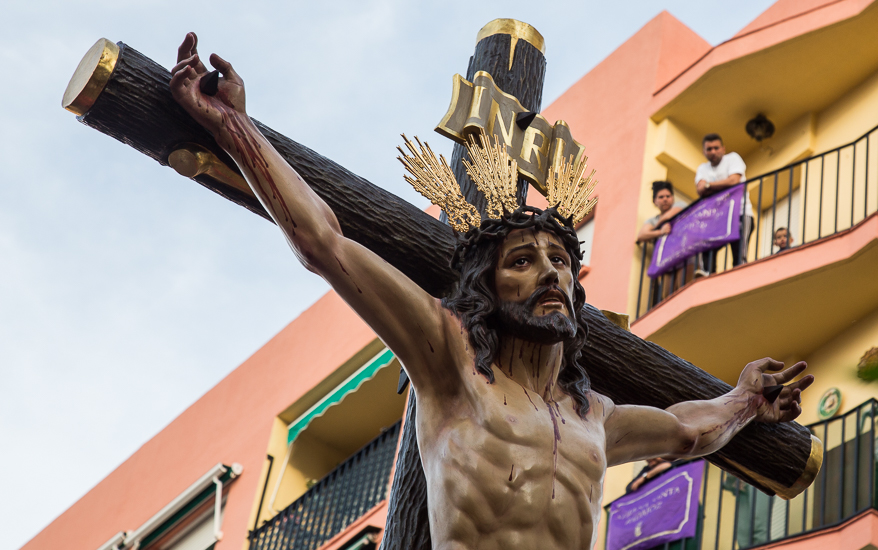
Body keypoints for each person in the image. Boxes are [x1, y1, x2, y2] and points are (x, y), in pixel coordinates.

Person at [170, 34, 813, 550]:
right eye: (524, 261)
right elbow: (326, 243)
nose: (550, 273)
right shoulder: (450, 365)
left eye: (561, 260)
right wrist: (234, 126)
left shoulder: (595, 418)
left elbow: (684, 431)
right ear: (488, 287)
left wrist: (745, 401)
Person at [696, 134, 753, 270]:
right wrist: (723, 184)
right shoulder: (702, 168)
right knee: (707, 252)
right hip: (716, 218)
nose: (713, 152)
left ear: (723, 149)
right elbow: (700, 189)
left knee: (739, 258)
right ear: (704, 152)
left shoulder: (733, 158)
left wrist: (709, 185)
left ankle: (739, 281)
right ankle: (709, 281)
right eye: (709, 149)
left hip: (740, 213)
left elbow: (734, 181)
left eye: (716, 148)